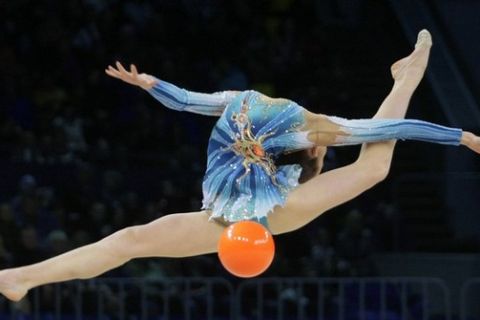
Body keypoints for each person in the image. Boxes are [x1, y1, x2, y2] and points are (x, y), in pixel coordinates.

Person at [0, 30, 479, 302]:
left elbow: (388, 131)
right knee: (130, 239)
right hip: (235, 213)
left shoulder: (295, 127)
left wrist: (461, 136)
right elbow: (187, 101)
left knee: (374, 165)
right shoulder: (265, 113)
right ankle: (21, 278)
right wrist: (149, 84)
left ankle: (409, 74)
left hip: (265, 208)